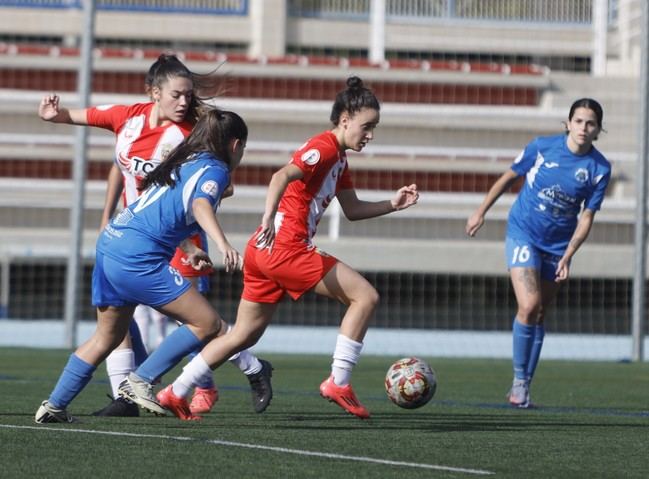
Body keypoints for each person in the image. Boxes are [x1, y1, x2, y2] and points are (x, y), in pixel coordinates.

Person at [121, 75, 419, 421]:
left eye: (374, 128)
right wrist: (267, 218)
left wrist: (392, 204)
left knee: (243, 335)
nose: (370, 135)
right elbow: (280, 176)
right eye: (367, 126)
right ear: (345, 120)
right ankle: (339, 381)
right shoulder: (323, 147)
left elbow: (352, 210)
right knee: (365, 297)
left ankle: (175, 391)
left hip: (263, 254)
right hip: (286, 248)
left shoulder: (338, 159)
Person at [37, 54, 271, 418]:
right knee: (205, 322)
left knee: (108, 337)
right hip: (141, 251)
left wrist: (190, 244)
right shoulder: (142, 127)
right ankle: (142, 382)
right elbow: (197, 204)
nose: (184, 102)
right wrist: (222, 243)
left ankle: (53, 406)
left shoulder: (189, 141)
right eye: (177, 95)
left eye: (188, 97)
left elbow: (174, 204)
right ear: (153, 92)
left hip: (118, 240)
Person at [465, 98, 611, 408]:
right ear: (568, 123)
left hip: (558, 246)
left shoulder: (599, 168)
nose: (584, 128)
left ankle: (523, 388)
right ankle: (519, 379)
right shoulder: (542, 148)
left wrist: (569, 254)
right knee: (529, 304)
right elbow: (508, 177)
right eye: (579, 121)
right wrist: (480, 212)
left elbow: (587, 217)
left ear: (598, 130)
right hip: (524, 233)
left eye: (591, 123)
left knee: (541, 312)